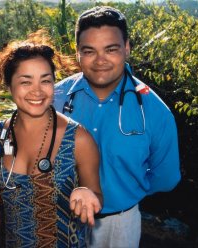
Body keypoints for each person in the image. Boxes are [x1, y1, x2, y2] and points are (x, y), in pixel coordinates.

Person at [54, 6, 181, 248]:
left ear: (127, 48)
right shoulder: (54, 99)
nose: (100, 60)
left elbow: (166, 178)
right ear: (77, 52)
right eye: (89, 51)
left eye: (111, 49)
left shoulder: (154, 111)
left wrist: (126, 191)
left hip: (120, 226)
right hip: (60, 219)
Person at [0, 31, 103, 247]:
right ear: (9, 85)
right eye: (25, 82)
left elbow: (96, 193)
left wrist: (87, 194)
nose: (37, 91)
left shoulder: (79, 139)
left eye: (45, 80)